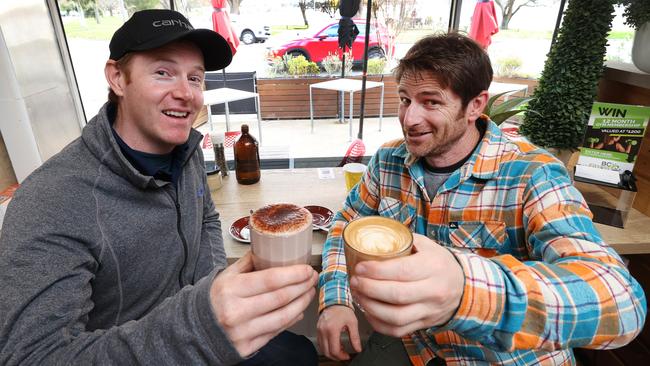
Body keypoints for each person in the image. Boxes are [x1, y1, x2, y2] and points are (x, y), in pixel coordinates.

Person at [0, 9, 318, 365]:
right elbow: (31, 357)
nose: (186, 93)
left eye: (195, 78)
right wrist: (199, 328)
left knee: (302, 354)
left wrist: (212, 289)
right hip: (162, 348)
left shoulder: (185, 154)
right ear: (118, 78)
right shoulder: (51, 201)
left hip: (202, 333)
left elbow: (206, 220)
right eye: (163, 73)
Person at [317, 33, 647, 365]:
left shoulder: (534, 173)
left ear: (475, 104)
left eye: (431, 102)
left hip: (502, 355)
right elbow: (345, 224)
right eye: (405, 100)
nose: (410, 119)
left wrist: (465, 292)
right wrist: (335, 299)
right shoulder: (388, 159)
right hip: (414, 343)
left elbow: (621, 303)